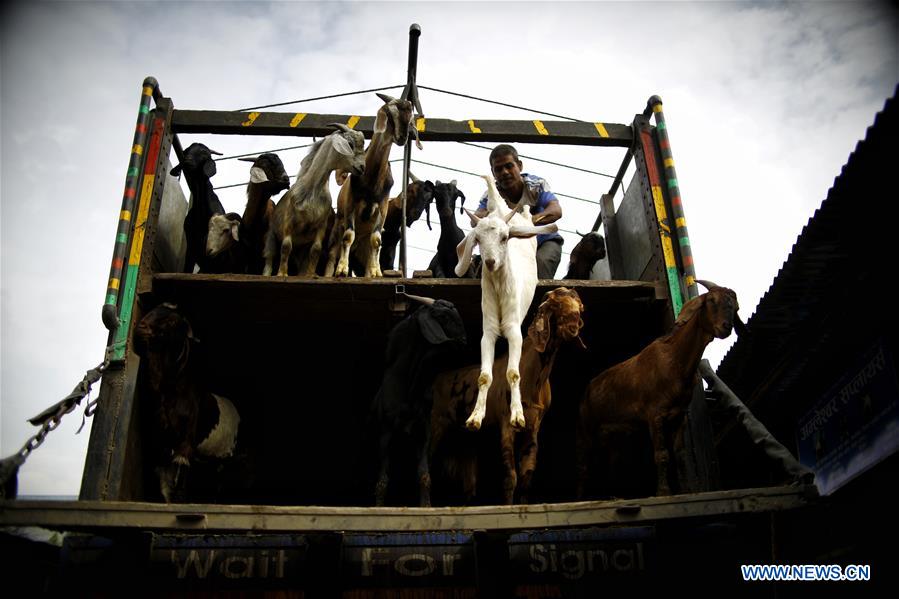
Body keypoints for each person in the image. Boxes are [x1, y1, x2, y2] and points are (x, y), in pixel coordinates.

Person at [475, 144, 563, 279]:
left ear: (520, 166)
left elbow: (556, 210)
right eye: (498, 169)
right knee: (485, 271)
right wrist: (493, 216)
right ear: (493, 173)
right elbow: (475, 219)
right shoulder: (491, 195)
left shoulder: (536, 185)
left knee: (540, 265)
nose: (504, 172)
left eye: (509, 166)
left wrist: (528, 221)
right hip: (512, 248)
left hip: (543, 243)